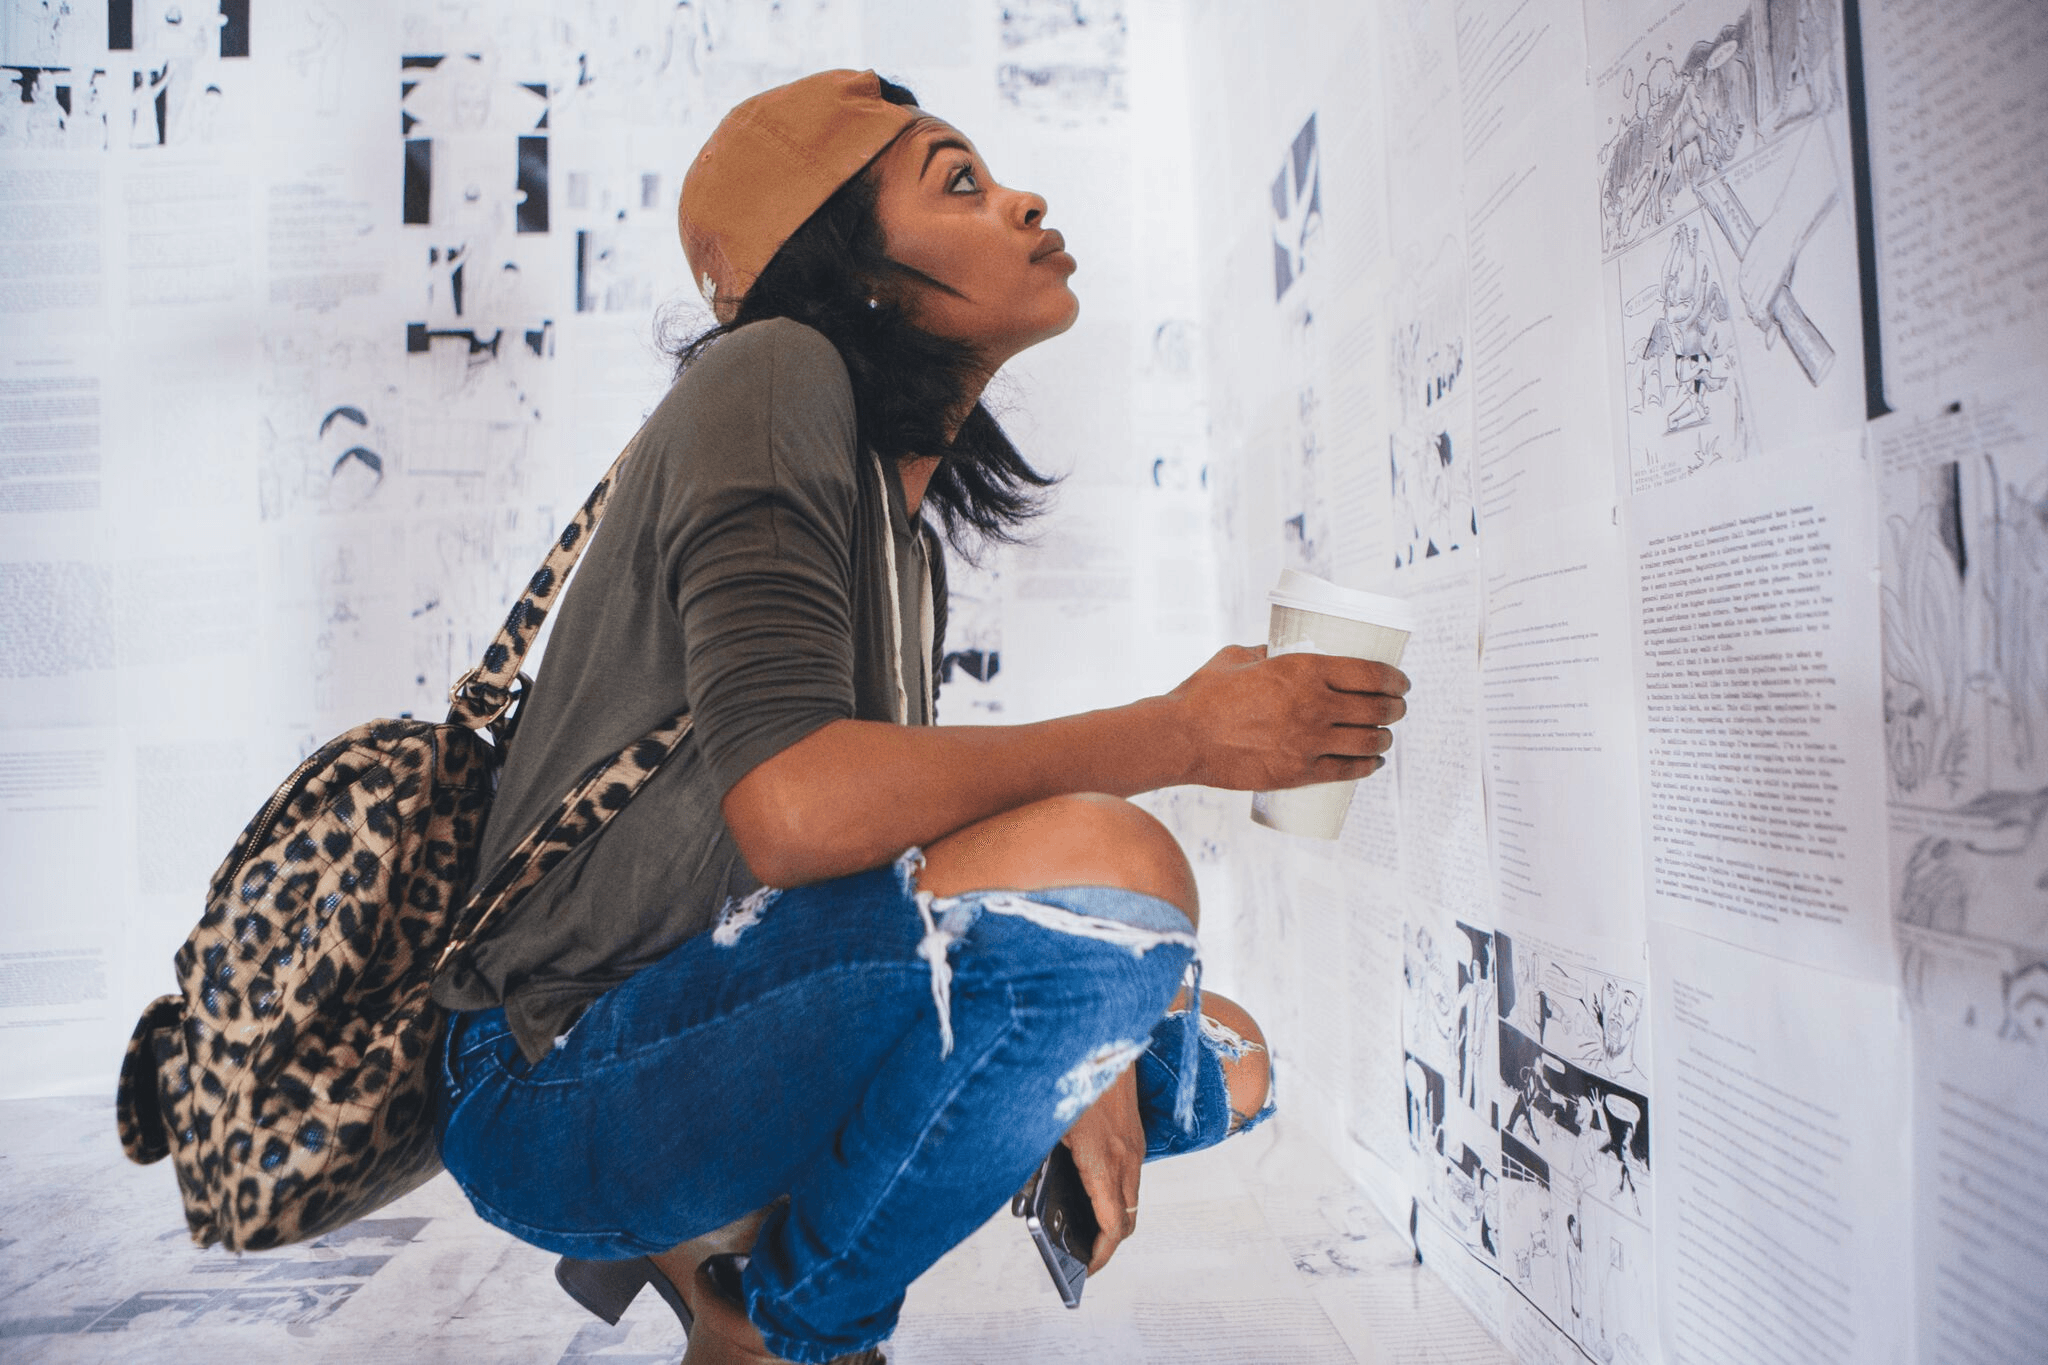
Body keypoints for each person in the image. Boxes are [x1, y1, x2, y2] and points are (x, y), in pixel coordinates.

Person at [429, 70, 1410, 1365]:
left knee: (1228, 1063)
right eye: (961, 182)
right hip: (559, 1080)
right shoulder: (772, 373)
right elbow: (794, 807)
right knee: (1123, 874)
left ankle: (722, 1249)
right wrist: (1178, 737)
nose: (1023, 198)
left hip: (732, 1007)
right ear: (857, 273)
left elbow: (884, 854)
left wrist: (1090, 1040)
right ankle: (792, 1325)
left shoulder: (897, 528)